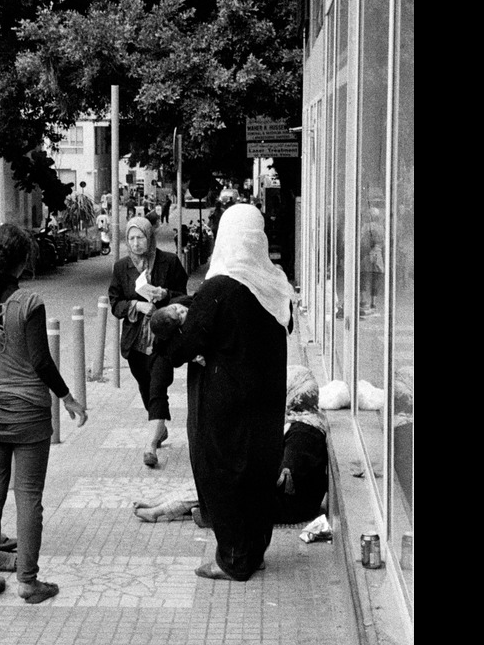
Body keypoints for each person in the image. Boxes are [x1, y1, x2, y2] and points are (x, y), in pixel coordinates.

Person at [162, 204, 295, 581]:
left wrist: (173, 326)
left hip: (224, 403)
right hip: (267, 402)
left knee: (223, 474)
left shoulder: (219, 288)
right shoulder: (274, 283)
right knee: (258, 472)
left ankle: (233, 559)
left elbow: (180, 350)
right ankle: (254, 551)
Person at [0, 223, 88, 602]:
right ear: (24, 261)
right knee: (29, 496)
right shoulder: (29, 303)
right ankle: (28, 583)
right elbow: (41, 360)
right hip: (30, 414)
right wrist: (68, 398)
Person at [132, 365, 327, 527]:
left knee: (222, 482)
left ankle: (162, 511)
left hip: (292, 505)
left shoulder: (305, 432)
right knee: (214, 476)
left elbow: (285, 477)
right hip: (287, 499)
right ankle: (162, 504)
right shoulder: (301, 421)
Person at [108, 216, 189, 468]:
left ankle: (150, 446)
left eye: (140, 237)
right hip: (135, 343)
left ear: (149, 237)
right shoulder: (122, 267)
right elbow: (115, 303)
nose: (135, 243)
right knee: (146, 387)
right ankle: (159, 428)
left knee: (158, 388)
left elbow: (184, 297)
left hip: (162, 339)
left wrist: (165, 294)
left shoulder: (169, 262)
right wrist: (135, 304)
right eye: (131, 238)